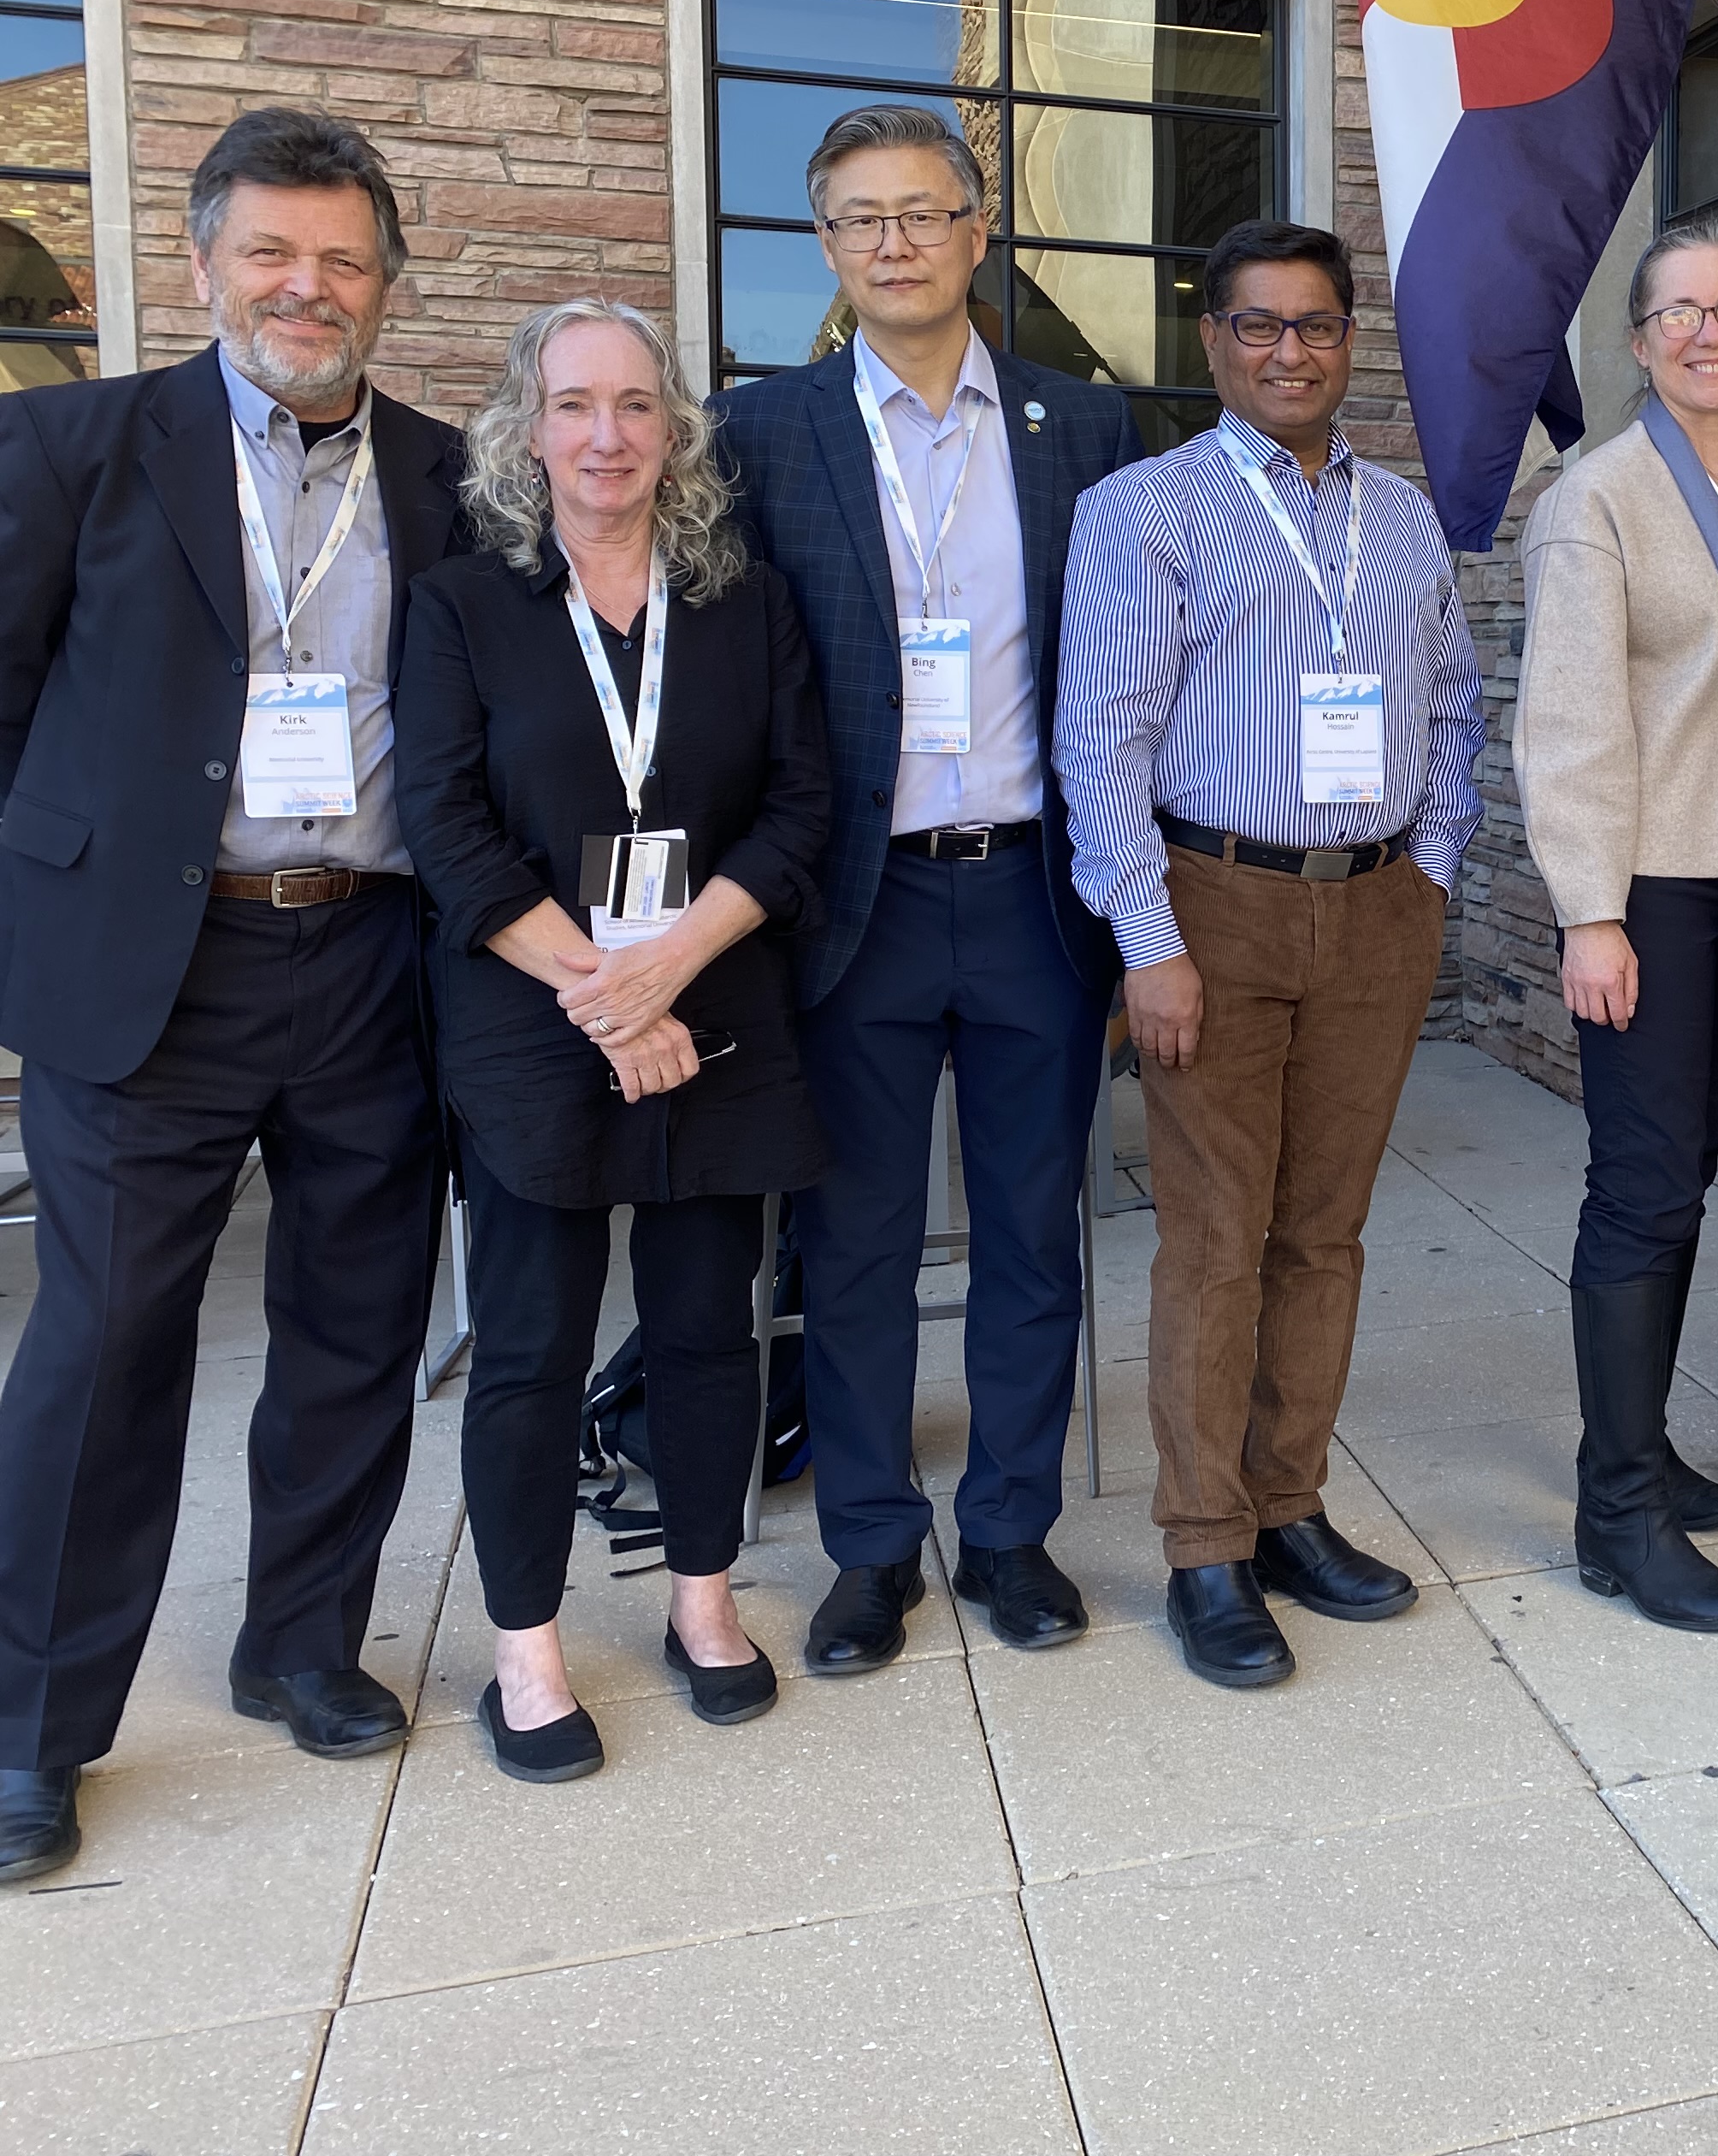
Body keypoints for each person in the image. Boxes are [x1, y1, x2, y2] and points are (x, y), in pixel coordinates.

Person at [0, 110, 464, 1883]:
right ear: (202, 265)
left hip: (371, 954)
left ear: (387, 285)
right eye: (272, 252)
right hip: (154, 969)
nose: (306, 288)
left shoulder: (448, 477)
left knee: (358, 1321)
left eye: (343, 259)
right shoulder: (72, 449)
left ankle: (303, 1642)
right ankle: (30, 1725)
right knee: (106, 1340)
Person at [708, 105, 1136, 1677]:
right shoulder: (759, 433)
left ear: (976, 232)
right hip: (854, 907)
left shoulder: (1083, 428)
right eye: (861, 219)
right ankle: (871, 1545)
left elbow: (1126, 674)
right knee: (858, 1245)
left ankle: (1010, 1531)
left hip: (1033, 896)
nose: (895, 243)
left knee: (1032, 1235)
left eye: (923, 213)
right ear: (826, 247)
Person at [397, 302, 830, 1781]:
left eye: (637, 404)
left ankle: (703, 1598)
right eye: (575, 405)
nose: (607, 435)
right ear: (529, 430)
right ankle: (526, 1649)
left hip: (716, 1009)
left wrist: (670, 971)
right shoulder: (465, 607)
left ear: (676, 430)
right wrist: (607, 994)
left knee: (709, 1328)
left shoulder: (745, 604)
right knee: (529, 1347)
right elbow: (445, 824)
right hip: (533, 1023)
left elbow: (800, 810)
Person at [1055, 218, 1483, 1690]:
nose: (1289, 352)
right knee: (1216, 1237)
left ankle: (1289, 1506)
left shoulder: (1404, 519)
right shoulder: (1145, 510)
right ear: (1213, 341)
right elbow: (1102, 740)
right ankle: (1205, 1546)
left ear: (1348, 342)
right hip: (1213, 905)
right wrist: (1149, 940)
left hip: (1373, 908)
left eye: (1316, 325)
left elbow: (1456, 705)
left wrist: (1429, 875)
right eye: (1258, 325)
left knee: (1325, 1233)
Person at [1514, 225, 1718, 1636]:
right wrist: (1591, 912)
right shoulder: (1602, 496)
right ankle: (1619, 1514)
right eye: (1680, 312)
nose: (1711, 330)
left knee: (1684, 1176)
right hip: (1647, 890)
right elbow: (1570, 719)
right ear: (1639, 345)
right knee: (1641, 1188)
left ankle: (1632, 1449)